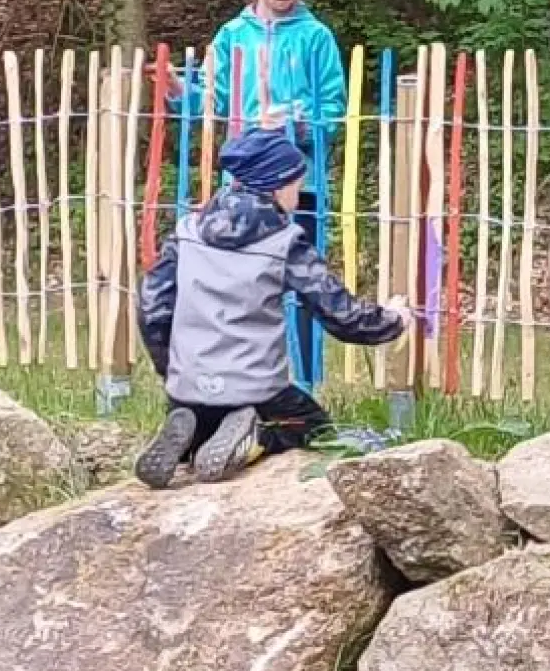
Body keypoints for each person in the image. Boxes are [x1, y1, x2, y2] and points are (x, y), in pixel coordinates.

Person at [134, 127, 411, 488]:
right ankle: (260, 438)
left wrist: (170, 369)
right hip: (258, 391)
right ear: (279, 186)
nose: (299, 191)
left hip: (188, 388)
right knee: (315, 430)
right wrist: (392, 321)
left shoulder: (187, 232)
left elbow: (152, 307)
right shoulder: (284, 242)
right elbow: (340, 315)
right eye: (298, 183)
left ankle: (191, 436)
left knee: (206, 428)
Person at [170, 0, 348, 388]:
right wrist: (177, 93)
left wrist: (297, 124)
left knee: (304, 282)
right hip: (243, 190)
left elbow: (334, 111)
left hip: (299, 187)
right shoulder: (232, 37)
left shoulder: (316, 38)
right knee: (245, 287)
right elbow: (209, 101)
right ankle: (246, 382)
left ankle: (305, 384)